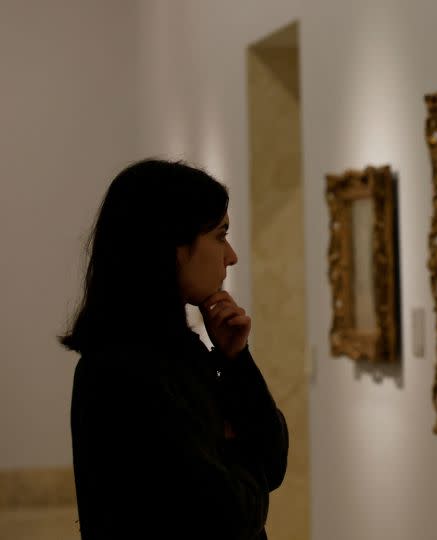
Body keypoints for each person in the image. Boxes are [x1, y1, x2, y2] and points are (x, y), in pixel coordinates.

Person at [62, 159, 288, 539]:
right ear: (173, 245)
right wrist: (241, 456)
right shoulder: (124, 372)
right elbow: (230, 513)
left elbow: (273, 463)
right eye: (220, 235)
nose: (230, 256)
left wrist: (236, 360)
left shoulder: (181, 354)